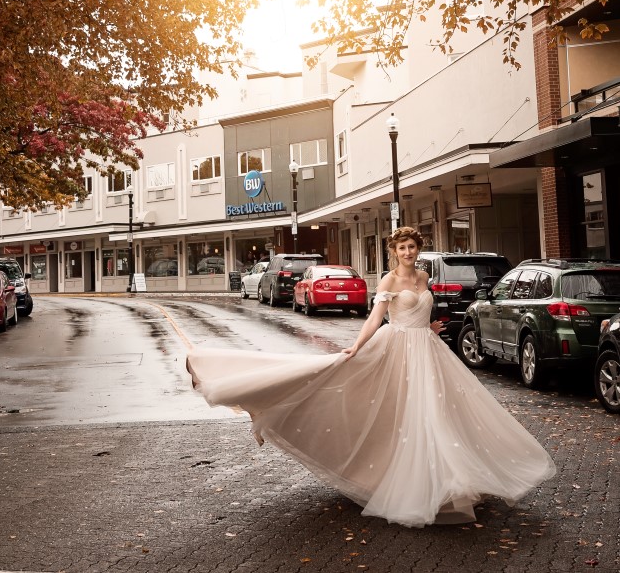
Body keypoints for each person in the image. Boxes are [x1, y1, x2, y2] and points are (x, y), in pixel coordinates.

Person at [187, 226, 555, 528]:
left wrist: (430, 324)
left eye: (412, 247)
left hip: (428, 349)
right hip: (397, 349)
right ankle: (419, 487)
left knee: (440, 414)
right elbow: (376, 318)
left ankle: (448, 483)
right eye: (402, 248)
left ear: (417, 248)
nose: (408, 253)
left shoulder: (425, 276)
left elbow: (420, 312)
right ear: (394, 252)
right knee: (404, 413)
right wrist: (356, 348)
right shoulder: (389, 281)